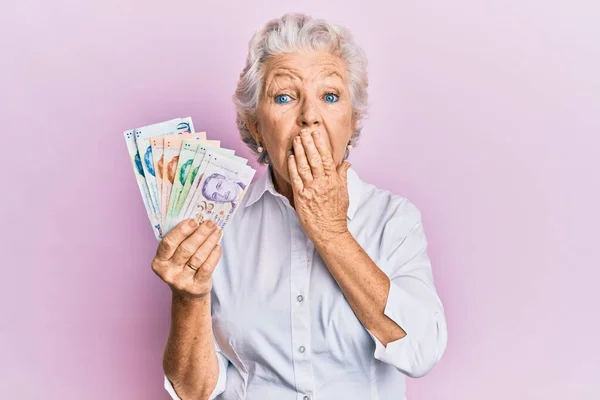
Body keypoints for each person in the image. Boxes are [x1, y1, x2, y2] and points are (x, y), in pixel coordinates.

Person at [152, 12, 447, 400]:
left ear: (352, 121)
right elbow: (193, 391)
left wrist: (332, 233)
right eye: (285, 97)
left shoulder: (394, 220)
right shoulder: (218, 224)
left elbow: (422, 352)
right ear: (256, 126)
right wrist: (188, 298)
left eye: (329, 96)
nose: (309, 116)